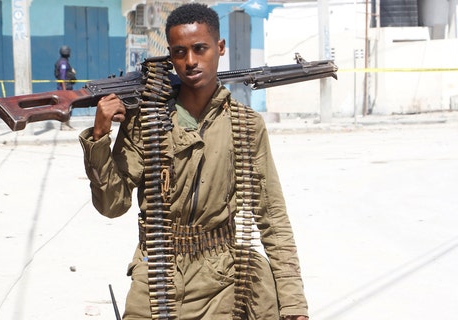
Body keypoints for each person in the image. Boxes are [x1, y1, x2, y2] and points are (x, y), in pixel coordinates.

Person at [78, 3, 308, 320]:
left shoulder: (245, 125)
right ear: (170, 57)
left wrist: (294, 304)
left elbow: (274, 221)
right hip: (158, 271)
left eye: (200, 49)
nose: (190, 61)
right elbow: (112, 205)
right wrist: (100, 137)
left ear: (220, 48)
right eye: (180, 52)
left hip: (225, 277)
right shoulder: (146, 120)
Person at [54, 45, 76, 130]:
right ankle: (64, 125)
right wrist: (64, 91)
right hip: (65, 88)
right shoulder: (63, 63)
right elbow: (62, 77)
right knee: (65, 107)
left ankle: (67, 124)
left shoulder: (64, 61)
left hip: (66, 88)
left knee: (69, 106)